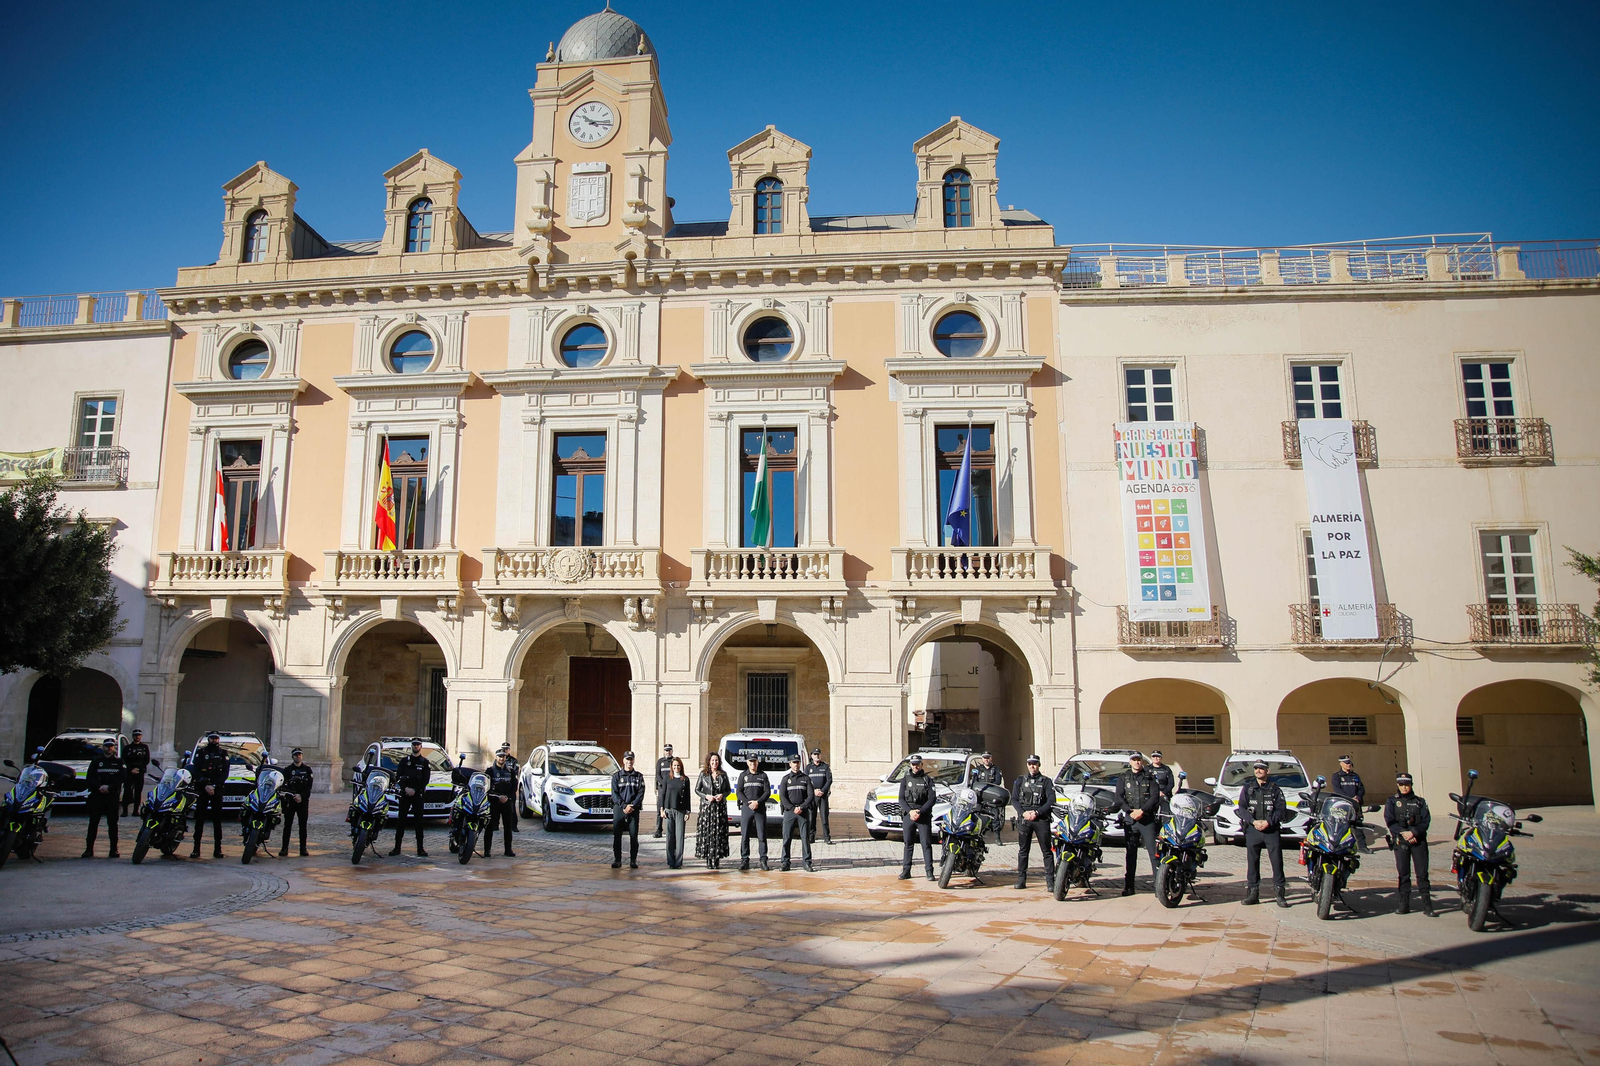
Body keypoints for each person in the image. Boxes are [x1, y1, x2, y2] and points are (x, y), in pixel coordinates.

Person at [1238, 759, 1290, 908]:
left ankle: (1280, 894)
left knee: (1277, 862)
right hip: (1253, 829)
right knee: (1252, 862)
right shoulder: (1248, 788)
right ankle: (1252, 894)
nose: (1258, 771)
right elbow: (1241, 809)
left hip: (1271, 830)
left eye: (1261, 768)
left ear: (1268, 771)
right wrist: (1253, 822)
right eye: (1256, 768)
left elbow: (1281, 810)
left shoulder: (1275, 789)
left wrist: (1268, 822)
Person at [1384, 773, 1434, 916]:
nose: (1404, 787)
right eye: (1401, 784)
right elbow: (1390, 821)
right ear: (1397, 785)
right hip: (1401, 841)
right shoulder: (1392, 801)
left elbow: (1425, 821)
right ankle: (1403, 904)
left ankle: (1427, 905)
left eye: (1406, 784)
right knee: (1403, 873)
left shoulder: (1420, 802)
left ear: (1411, 785)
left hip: (1418, 841)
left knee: (1422, 874)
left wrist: (1414, 832)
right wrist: (1404, 833)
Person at [1115, 752, 1160, 897]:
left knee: (1154, 854)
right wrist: (1129, 811)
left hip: (1146, 819)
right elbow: (1119, 797)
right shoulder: (1124, 778)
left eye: (1139, 760)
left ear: (1142, 762)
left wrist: (1143, 810)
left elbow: (1155, 796)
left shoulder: (1150, 777)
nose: (1137, 762)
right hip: (1131, 820)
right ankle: (1129, 887)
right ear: (1130, 762)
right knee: (1131, 854)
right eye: (1134, 760)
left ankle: (1159, 887)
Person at [1013, 754, 1056, 890]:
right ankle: (1021, 880)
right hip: (1025, 819)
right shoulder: (1020, 780)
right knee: (1023, 851)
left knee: (1046, 851)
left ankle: (1050, 882)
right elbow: (1014, 799)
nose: (1032, 766)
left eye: (1035, 764)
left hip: (1041, 819)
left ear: (1039, 765)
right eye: (1030, 763)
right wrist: (1023, 812)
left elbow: (1051, 800)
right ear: (1027, 765)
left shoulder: (1046, 781)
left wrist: (1037, 813)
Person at [82, 738, 124, 859]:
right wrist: (99, 787)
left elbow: (121, 777)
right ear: (103, 747)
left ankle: (113, 850)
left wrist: (109, 787)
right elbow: (90, 777)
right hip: (97, 795)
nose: (109, 748)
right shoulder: (96, 761)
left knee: (112, 824)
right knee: (93, 823)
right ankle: (89, 849)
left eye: (111, 746)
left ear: (114, 747)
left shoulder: (119, 762)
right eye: (107, 746)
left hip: (112, 795)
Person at [189, 731, 229, 859]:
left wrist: (215, 786)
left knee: (217, 820)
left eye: (216, 739)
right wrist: (205, 784)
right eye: (212, 738)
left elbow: (225, 773)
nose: (214, 741)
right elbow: (196, 770)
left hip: (216, 789)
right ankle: (196, 849)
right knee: (200, 819)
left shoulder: (223, 753)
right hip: (203, 789)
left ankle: (218, 849)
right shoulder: (201, 753)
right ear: (208, 739)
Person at [389, 738, 431, 857]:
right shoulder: (404, 761)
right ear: (411, 746)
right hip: (405, 794)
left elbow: (425, 780)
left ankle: (420, 849)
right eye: (414, 745)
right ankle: (397, 848)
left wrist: (415, 790)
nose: (416, 747)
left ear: (421, 747)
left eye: (418, 745)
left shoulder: (424, 762)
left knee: (418, 822)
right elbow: (398, 776)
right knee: (401, 821)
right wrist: (406, 788)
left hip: (417, 795)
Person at [898, 754, 936, 881]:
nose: (915, 766)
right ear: (910, 765)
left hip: (923, 815)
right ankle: (906, 870)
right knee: (908, 844)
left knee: (926, 844)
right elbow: (901, 799)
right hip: (909, 815)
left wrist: (920, 811)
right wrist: (910, 812)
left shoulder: (928, 780)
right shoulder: (905, 779)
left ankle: (929, 871)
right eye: (913, 764)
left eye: (918, 764)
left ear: (921, 765)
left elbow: (932, 799)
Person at [778, 754, 815, 872]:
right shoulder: (785, 779)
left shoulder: (806, 778)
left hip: (802, 812)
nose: (796, 764)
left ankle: (807, 862)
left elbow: (810, 795)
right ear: (790, 764)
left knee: (805, 838)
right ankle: (785, 862)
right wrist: (792, 808)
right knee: (787, 838)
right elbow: (782, 796)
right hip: (790, 812)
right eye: (794, 762)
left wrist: (802, 807)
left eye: (798, 762)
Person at [695, 752, 731, 870]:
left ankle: (717, 859)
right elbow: (697, 789)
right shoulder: (703, 774)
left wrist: (722, 795)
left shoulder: (723, 775)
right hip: (707, 808)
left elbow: (728, 790)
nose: (714, 762)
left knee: (718, 833)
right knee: (708, 833)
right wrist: (706, 796)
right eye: (712, 760)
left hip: (719, 808)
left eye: (716, 760)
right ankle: (708, 859)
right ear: (709, 762)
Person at [735, 752, 770, 871]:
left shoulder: (763, 775)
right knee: (745, 835)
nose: (752, 763)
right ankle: (745, 859)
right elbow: (739, 791)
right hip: (747, 808)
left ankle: (763, 859)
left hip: (759, 808)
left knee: (762, 834)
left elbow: (767, 792)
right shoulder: (743, 776)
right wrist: (747, 802)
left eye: (754, 761)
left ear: (757, 762)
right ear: (747, 762)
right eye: (750, 761)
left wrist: (758, 802)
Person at [611, 750, 646, 868]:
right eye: (627, 759)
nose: (629, 762)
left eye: (631, 759)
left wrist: (632, 805)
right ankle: (617, 860)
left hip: (633, 809)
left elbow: (641, 793)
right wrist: (624, 806)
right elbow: (614, 794)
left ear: (634, 761)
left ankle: (633, 860)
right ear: (623, 760)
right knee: (617, 835)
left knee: (633, 835)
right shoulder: (616, 776)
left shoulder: (639, 777)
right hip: (620, 808)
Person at [1330, 755, 1371, 853]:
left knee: (1358, 826)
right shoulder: (1337, 776)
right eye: (1346, 763)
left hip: (1356, 805)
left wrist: (1358, 797)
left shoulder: (1355, 776)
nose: (1348, 765)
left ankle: (1362, 846)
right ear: (1341, 764)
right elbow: (1337, 790)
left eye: (1349, 763)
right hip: (1344, 805)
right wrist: (1349, 799)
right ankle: (1342, 846)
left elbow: (1361, 788)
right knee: (1343, 826)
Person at [279, 748, 313, 857]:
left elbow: (309, 787)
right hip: (291, 800)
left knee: (303, 826)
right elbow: (283, 785)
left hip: (302, 801)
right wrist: (292, 795)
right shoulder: (288, 770)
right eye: (296, 755)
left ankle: (303, 848)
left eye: (300, 755)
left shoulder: (307, 770)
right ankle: (284, 848)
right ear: (292, 757)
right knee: (287, 825)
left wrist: (301, 796)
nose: (298, 756)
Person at [484, 749, 518, 857]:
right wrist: (497, 797)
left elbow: (514, 786)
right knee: (490, 827)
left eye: (503, 757)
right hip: (494, 802)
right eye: (499, 756)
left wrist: (507, 797)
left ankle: (508, 850)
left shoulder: (511, 771)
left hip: (506, 802)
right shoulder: (490, 771)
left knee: (508, 827)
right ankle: (487, 850)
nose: (501, 758)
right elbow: (486, 788)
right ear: (496, 757)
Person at [661, 757, 692, 869]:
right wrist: (661, 809)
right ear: (671, 767)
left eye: (678, 765)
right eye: (674, 765)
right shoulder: (667, 778)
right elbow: (662, 794)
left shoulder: (685, 780)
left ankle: (678, 862)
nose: (676, 767)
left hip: (681, 810)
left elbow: (688, 796)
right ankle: (670, 861)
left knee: (679, 837)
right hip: (669, 810)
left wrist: (688, 811)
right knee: (670, 837)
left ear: (681, 766)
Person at [970, 752, 1006, 842]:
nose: (986, 760)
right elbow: (974, 782)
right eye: (984, 758)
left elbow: (997, 781)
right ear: (982, 759)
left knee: (996, 817)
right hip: (981, 797)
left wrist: (989, 787)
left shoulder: (996, 769)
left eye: (988, 758)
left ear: (991, 758)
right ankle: (976, 837)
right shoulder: (978, 769)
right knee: (977, 815)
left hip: (991, 797)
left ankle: (997, 838)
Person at [805, 748, 834, 845]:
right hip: (812, 796)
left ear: (820, 755)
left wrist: (822, 791)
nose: (817, 756)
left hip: (822, 796)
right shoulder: (808, 768)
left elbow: (829, 780)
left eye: (818, 754)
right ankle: (811, 837)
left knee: (824, 817)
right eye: (815, 754)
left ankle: (827, 837)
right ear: (811, 756)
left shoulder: (825, 767)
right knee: (811, 817)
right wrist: (813, 791)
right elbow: (806, 781)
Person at [121, 729, 150, 817]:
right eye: (135, 735)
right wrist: (130, 769)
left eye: (139, 735)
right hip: (129, 772)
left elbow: (146, 760)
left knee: (138, 792)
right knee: (127, 791)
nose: (137, 737)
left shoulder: (144, 747)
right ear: (133, 736)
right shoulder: (127, 748)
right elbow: (124, 760)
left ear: (141, 736)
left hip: (140, 772)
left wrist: (139, 769)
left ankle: (135, 810)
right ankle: (125, 810)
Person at [653, 743, 675, 838]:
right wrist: (663, 784)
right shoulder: (660, 762)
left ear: (672, 751)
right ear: (664, 751)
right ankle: (658, 830)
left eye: (669, 750)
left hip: (671, 789)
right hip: (662, 789)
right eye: (666, 750)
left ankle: (671, 830)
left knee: (671, 809)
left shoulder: (674, 761)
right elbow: (657, 775)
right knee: (660, 809)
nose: (668, 752)